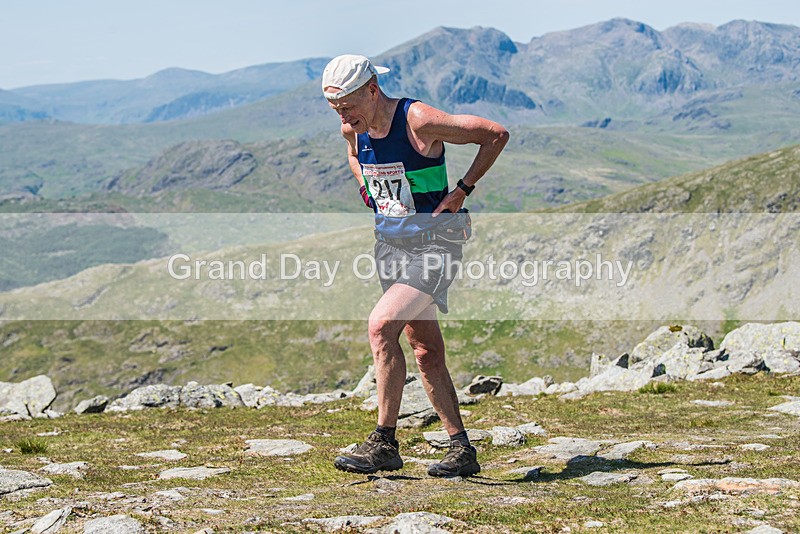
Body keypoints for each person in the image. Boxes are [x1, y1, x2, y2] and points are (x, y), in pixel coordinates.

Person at [322, 54, 509, 477]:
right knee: (425, 351)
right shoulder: (351, 125)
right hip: (390, 246)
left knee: (380, 325)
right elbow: (354, 155)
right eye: (335, 109)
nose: (344, 116)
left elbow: (495, 135)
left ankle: (383, 442)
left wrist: (462, 190)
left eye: (348, 105)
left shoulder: (418, 120)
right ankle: (462, 450)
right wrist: (367, 189)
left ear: (372, 89)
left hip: (436, 244)